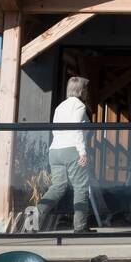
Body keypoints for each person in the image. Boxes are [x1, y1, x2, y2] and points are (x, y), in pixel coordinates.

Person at [38, 76, 92, 232]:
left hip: (55, 151)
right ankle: (80, 227)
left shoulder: (59, 107)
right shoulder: (79, 106)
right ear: (82, 90)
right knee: (81, 188)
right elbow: (76, 129)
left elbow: (56, 130)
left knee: (58, 187)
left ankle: (35, 216)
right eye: (86, 89)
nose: (87, 92)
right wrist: (82, 152)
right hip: (72, 150)